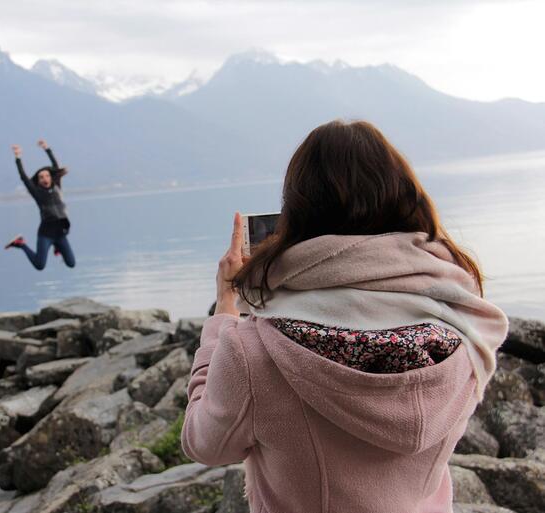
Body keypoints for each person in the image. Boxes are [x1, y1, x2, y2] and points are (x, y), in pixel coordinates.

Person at [181, 120, 509, 513]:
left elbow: (204, 443)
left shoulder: (253, 351)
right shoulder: (470, 325)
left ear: (297, 215)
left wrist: (225, 309)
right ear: (406, 199)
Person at [5, 140, 75, 270]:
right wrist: (18, 157)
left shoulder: (57, 185)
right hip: (46, 234)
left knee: (71, 263)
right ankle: (20, 243)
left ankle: (57, 246)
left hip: (61, 233)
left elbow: (55, 165)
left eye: (47, 176)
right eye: (41, 177)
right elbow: (23, 177)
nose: (45, 178)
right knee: (40, 265)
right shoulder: (37, 192)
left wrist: (47, 148)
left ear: (51, 177)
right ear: (38, 181)